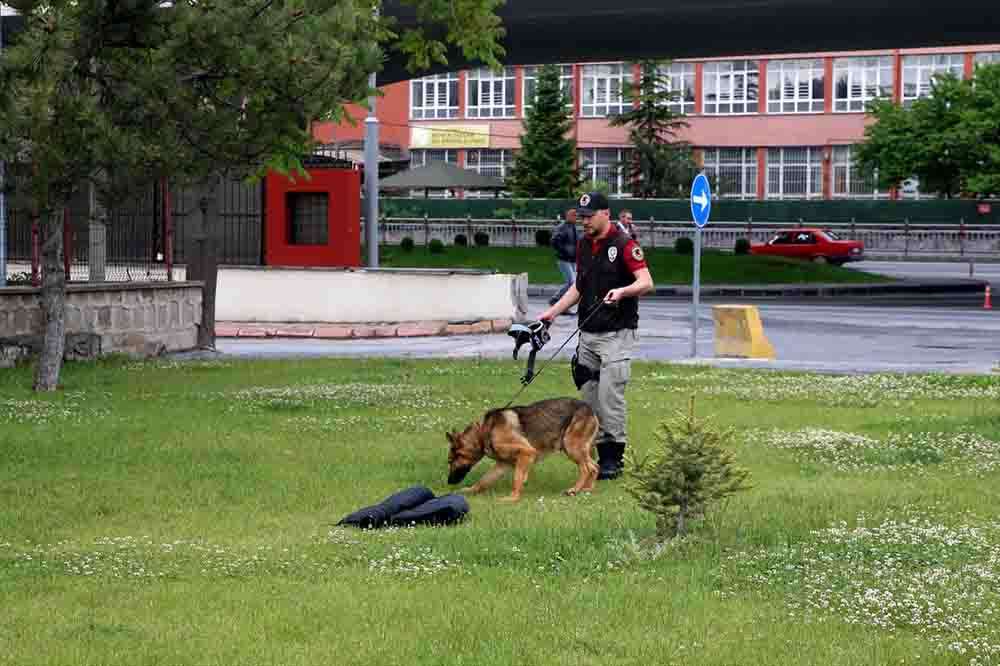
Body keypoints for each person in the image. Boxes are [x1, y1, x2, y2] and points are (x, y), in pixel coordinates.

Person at [539, 192, 654, 480]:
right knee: (589, 398)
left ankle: (613, 460)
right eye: (582, 217)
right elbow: (578, 287)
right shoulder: (583, 244)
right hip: (588, 333)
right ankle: (597, 452)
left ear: (605, 214)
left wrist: (623, 292)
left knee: (609, 396)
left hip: (617, 332)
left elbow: (646, 282)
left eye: (589, 216)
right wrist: (551, 314)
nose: (585, 222)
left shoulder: (625, 244)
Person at [549, 209, 579, 307]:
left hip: (573, 259)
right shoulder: (562, 227)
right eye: (574, 215)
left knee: (574, 283)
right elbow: (554, 241)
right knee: (572, 282)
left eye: (576, 215)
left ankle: (561, 303)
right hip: (564, 259)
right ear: (568, 216)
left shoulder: (573, 227)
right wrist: (565, 251)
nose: (576, 217)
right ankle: (556, 299)